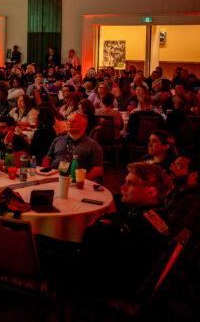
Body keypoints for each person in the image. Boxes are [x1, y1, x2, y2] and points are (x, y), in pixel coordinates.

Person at [76, 163, 172, 301]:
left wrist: (103, 226)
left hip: (108, 284)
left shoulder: (141, 224)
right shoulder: (152, 212)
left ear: (151, 192)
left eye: (131, 184)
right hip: (108, 268)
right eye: (124, 182)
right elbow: (109, 220)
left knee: (38, 248)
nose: (123, 187)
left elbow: (91, 238)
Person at [42, 112, 104, 180]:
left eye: (74, 121)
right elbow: (47, 158)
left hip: (76, 182)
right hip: (53, 178)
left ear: (84, 125)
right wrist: (46, 174)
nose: (69, 123)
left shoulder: (93, 145)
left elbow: (98, 169)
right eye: (68, 120)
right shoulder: (57, 140)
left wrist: (83, 181)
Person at [164, 155, 200, 234]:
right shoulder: (176, 190)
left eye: (179, 166)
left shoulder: (191, 200)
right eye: (173, 164)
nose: (172, 168)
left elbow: (167, 231)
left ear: (193, 175)